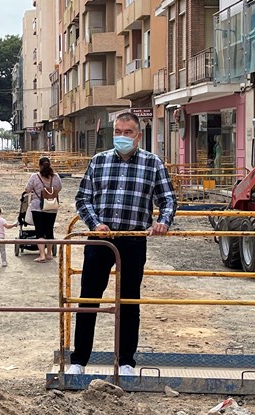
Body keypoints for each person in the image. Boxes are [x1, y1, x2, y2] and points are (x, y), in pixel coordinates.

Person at [67, 112, 176, 376]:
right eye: (118, 131)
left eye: (128, 132)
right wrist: (95, 224)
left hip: (133, 239)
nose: (122, 136)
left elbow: (169, 199)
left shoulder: (153, 164)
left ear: (138, 135)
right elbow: (83, 199)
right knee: (88, 300)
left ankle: (126, 361)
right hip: (101, 239)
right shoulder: (99, 161)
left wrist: (163, 221)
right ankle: (79, 361)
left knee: (128, 301)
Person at [24, 157, 62, 263]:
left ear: (39, 165)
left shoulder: (34, 177)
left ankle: (42, 255)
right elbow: (59, 188)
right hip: (52, 207)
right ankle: (49, 254)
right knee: (49, 231)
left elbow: (27, 189)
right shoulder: (56, 176)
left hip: (37, 207)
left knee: (40, 232)